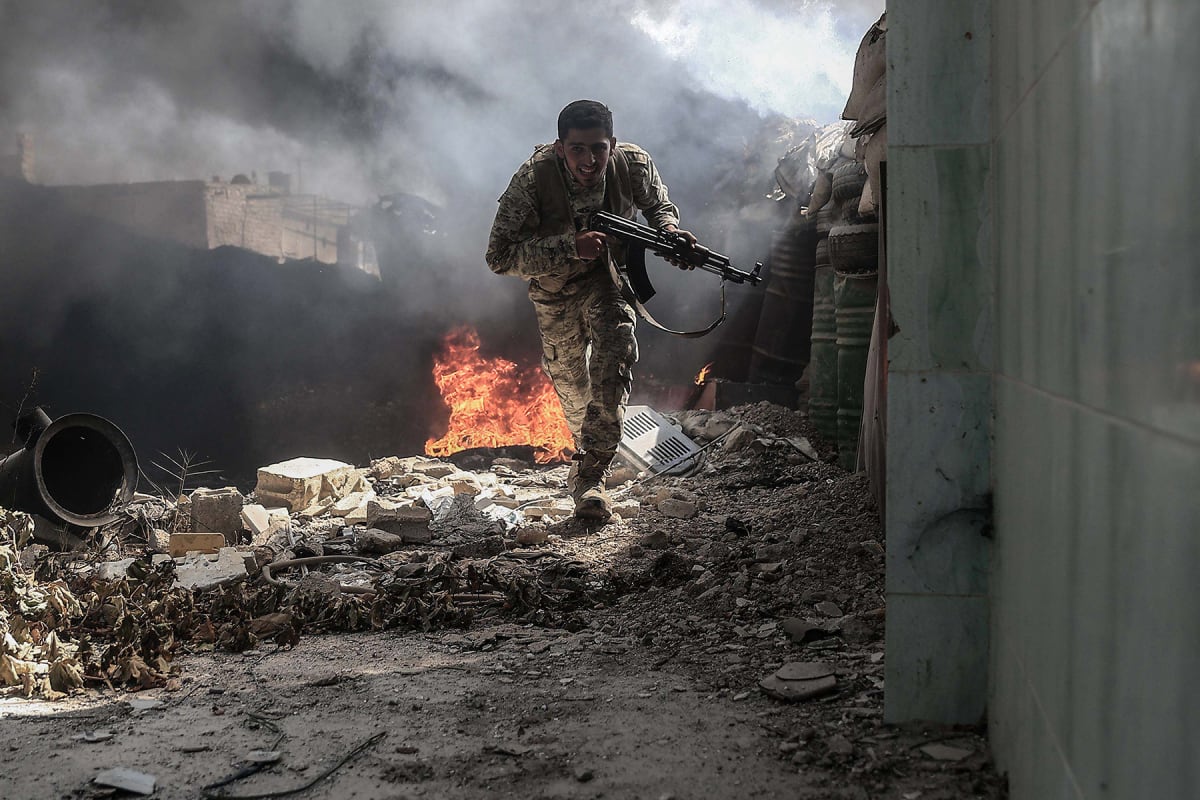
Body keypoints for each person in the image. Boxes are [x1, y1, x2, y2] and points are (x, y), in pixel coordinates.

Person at [486, 99, 695, 522]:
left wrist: (670, 233)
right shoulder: (534, 178)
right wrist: (570, 247)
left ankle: (591, 478)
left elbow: (658, 207)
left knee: (615, 355)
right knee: (573, 389)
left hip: (610, 282)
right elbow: (500, 256)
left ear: (612, 144)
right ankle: (587, 450)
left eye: (599, 148)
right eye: (577, 149)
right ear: (559, 147)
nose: (589, 160)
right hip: (556, 291)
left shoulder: (632, 165)